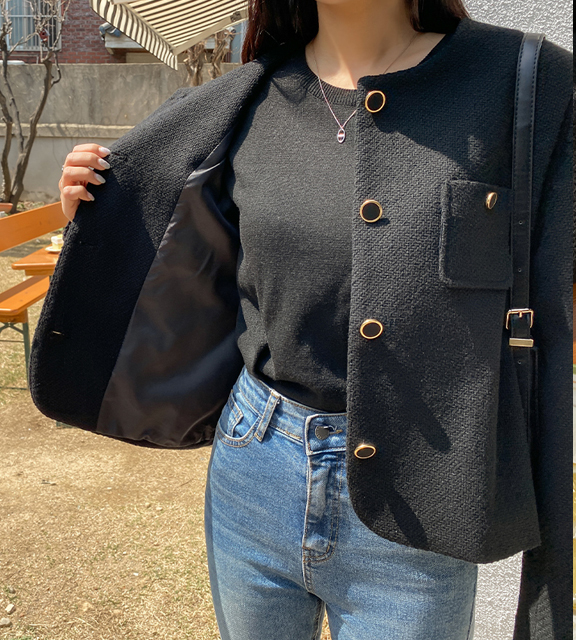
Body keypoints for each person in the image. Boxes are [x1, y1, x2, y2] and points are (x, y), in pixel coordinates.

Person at [33, 1, 573, 638]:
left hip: (424, 492)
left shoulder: (526, 81)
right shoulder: (247, 100)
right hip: (254, 469)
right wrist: (101, 212)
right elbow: (193, 259)